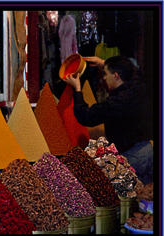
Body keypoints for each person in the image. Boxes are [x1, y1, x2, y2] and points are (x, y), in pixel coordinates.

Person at [63, 55, 153, 184]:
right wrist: (105, 64)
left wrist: (77, 89)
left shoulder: (117, 103)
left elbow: (86, 117)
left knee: (123, 195)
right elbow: (135, 73)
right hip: (148, 151)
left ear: (116, 76)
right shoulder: (138, 88)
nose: (104, 78)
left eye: (105, 74)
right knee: (145, 196)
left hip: (133, 156)